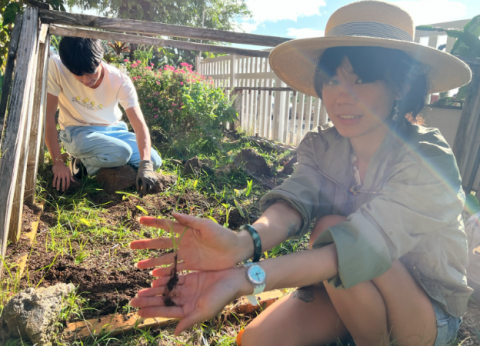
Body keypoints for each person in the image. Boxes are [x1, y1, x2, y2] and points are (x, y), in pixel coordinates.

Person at [128, 1, 473, 345]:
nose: (342, 97)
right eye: (334, 79)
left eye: (363, 80)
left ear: (398, 86)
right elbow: (295, 202)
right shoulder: (323, 146)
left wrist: (243, 279)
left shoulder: (427, 157)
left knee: (332, 229)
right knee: (254, 341)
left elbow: (356, 249)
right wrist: (241, 243)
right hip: (346, 288)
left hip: (422, 305)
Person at [45, 37, 162, 194]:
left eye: (91, 72)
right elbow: (48, 115)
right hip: (77, 132)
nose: (86, 80)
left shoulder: (119, 80)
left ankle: (87, 162)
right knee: (121, 153)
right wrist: (58, 163)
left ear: (100, 59)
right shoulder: (56, 66)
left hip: (114, 131)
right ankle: (79, 163)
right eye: (78, 75)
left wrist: (146, 165)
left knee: (154, 160)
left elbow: (139, 125)